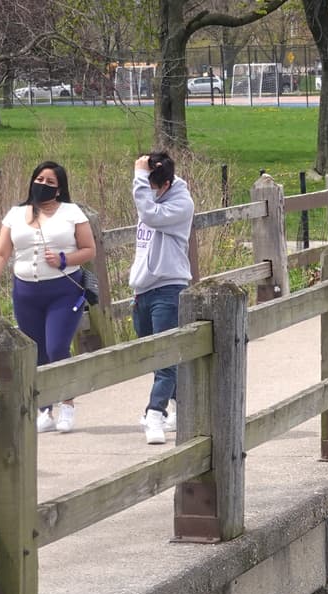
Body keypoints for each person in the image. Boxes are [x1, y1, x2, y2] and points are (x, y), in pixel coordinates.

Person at [0, 161, 96, 433]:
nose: (42, 185)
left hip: (63, 291)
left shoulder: (71, 212)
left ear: (59, 189)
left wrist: (65, 258)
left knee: (57, 347)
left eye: (50, 182)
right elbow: (1, 253)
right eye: (39, 179)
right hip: (26, 292)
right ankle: (45, 407)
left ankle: (67, 404)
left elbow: (89, 249)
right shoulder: (16, 214)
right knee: (36, 350)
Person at [130, 150, 194, 445]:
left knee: (165, 355)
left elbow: (150, 216)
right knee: (151, 352)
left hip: (169, 286)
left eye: (155, 185)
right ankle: (184, 406)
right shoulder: (147, 194)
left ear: (166, 183)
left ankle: (155, 413)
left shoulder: (182, 202)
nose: (151, 191)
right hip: (143, 288)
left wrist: (141, 179)